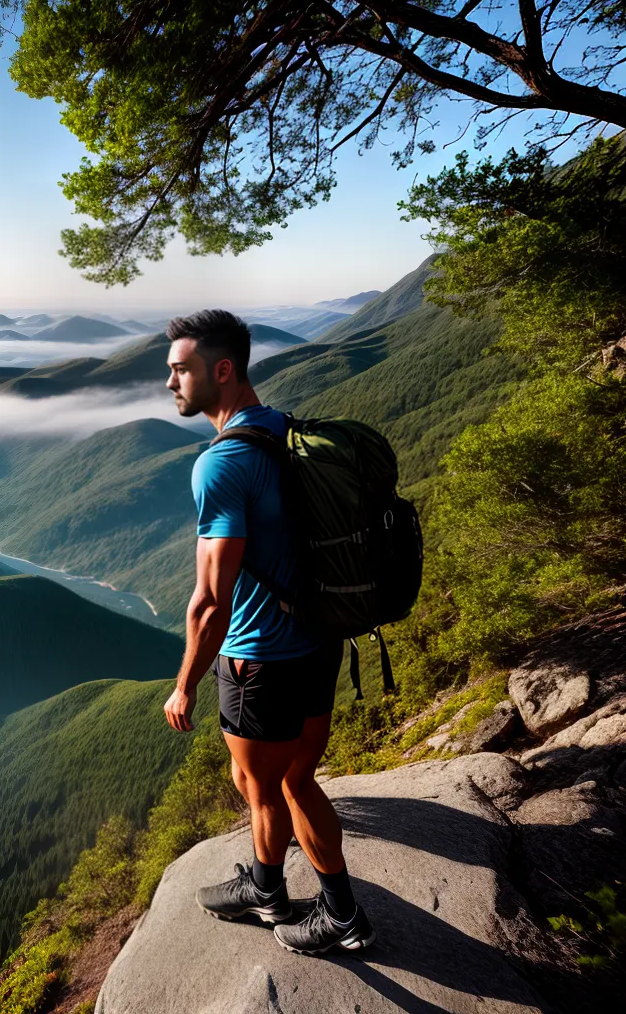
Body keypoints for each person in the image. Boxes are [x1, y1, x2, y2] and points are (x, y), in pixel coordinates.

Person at [162, 309, 375, 956]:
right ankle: (270, 883)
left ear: (222, 370)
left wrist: (184, 685)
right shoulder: (285, 428)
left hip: (259, 659)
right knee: (294, 779)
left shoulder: (221, 464)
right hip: (316, 641)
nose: (170, 382)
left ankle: (325, 911)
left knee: (267, 789)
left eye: (180, 369)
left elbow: (209, 601)